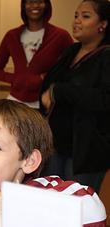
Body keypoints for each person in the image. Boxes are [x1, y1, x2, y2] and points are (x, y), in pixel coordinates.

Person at [40, 0, 110, 193]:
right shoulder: (71, 50)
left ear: (103, 25)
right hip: (57, 143)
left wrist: (59, 91)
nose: (77, 21)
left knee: (78, 205)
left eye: (85, 16)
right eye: (76, 16)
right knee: (51, 200)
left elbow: (104, 98)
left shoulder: (106, 55)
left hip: (85, 150)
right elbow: (49, 84)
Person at [0, 0, 73, 109]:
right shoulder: (11, 35)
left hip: (45, 103)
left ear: (47, 5)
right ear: (23, 6)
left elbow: (71, 69)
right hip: (15, 101)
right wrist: (16, 79)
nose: (34, 5)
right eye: (29, 2)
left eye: (40, 1)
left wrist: (45, 78)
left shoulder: (61, 36)